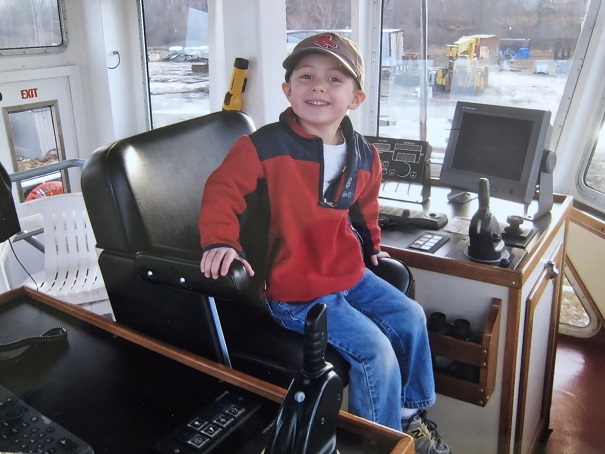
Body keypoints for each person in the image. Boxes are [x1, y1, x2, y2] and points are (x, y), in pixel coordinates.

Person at [199, 32, 451, 454]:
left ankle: (410, 418)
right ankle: (383, 443)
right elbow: (220, 193)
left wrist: (372, 248)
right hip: (295, 289)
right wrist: (220, 242)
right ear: (288, 90)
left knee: (411, 317)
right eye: (306, 76)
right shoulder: (262, 147)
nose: (318, 86)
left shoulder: (364, 155)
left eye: (335, 79)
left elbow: (363, 211)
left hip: (347, 274)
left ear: (356, 98)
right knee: (376, 354)